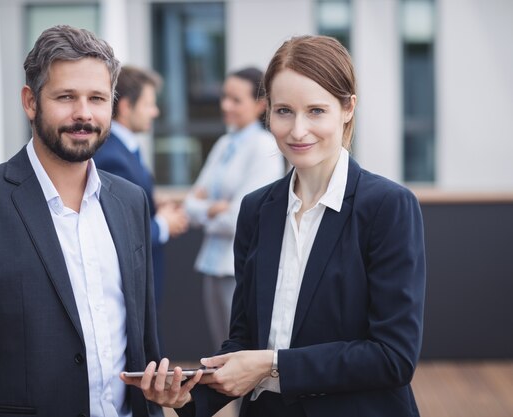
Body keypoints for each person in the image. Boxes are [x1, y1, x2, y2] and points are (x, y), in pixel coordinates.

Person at [123, 35, 427, 417]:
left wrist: (272, 364)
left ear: (347, 109)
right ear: (267, 112)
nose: (298, 130)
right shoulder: (256, 210)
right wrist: (189, 396)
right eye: (284, 111)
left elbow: (393, 356)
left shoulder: (388, 207)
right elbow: (245, 340)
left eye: (316, 111)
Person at [0, 25, 163, 417]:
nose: (83, 113)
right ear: (30, 102)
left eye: (97, 98)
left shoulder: (130, 201)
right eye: (66, 97)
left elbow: (143, 342)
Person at [184, 67, 284, 350]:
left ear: (260, 105)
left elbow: (240, 218)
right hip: (212, 264)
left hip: (238, 268)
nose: (226, 105)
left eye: (236, 99)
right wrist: (211, 209)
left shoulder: (264, 147)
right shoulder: (224, 144)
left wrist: (208, 209)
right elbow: (189, 206)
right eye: (224, 97)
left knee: (241, 354)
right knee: (221, 352)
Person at [93, 65, 188, 307]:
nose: (155, 112)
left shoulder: (126, 148)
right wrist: (163, 224)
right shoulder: (112, 156)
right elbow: (120, 230)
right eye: (148, 104)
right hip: (129, 286)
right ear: (125, 106)